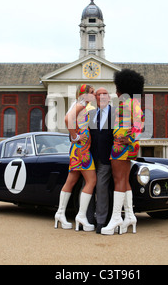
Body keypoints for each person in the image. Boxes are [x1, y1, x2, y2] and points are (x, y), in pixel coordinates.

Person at [101, 69, 145, 235]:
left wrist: (131, 138)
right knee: (124, 181)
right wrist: (133, 140)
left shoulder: (127, 103)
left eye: (117, 88)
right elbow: (139, 122)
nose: (116, 91)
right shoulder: (134, 102)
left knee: (118, 180)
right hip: (126, 147)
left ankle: (116, 218)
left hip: (120, 147)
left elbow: (140, 122)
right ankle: (130, 217)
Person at [54, 84, 97, 232]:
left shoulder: (79, 104)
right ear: (84, 94)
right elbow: (68, 118)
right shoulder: (80, 104)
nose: (94, 94)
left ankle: (60, 214)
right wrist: (75, 136)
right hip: (82, 150)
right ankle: (81, 216)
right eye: (91, 92)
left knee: (71, 181)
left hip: (77, 149)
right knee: (91, 181)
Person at [88, 87, 116, 233]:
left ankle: (101, 222)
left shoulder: (116, 114)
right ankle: (88, 220)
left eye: (105, 94)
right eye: (99, 95)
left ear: (109, 97)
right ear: (96, 98)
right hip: (90, 158)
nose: (102, 97)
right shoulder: (91, 114)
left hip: (107, 158)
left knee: (101, 187)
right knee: (88, 188)